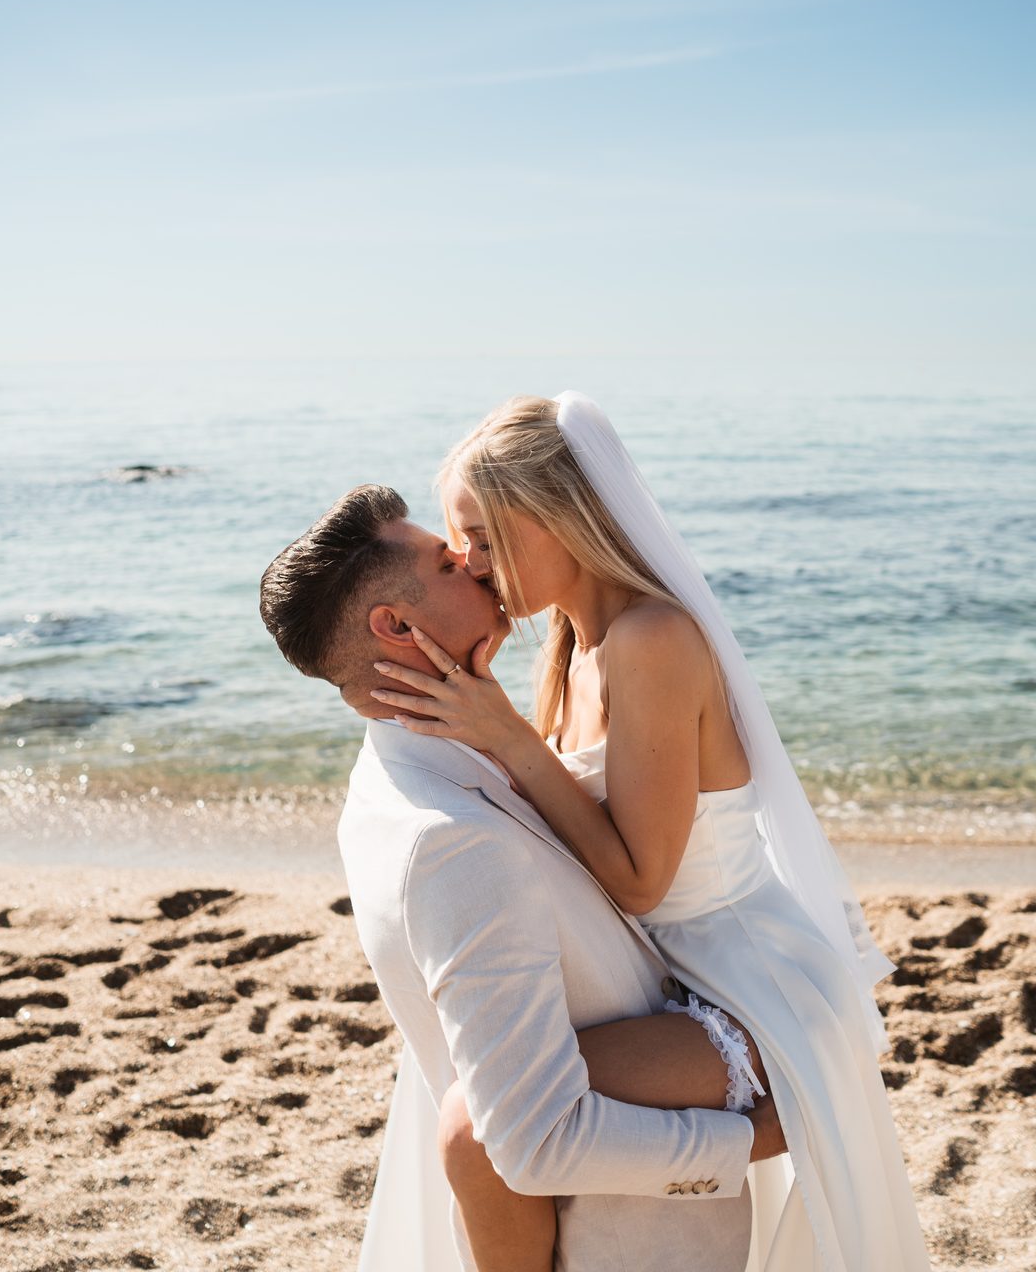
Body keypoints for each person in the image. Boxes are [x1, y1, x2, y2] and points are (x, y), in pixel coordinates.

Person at [362, 393, 931, 1271]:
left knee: (480, 1129)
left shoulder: (652, 638)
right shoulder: (568, 644)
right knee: (478, 1109)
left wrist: (506, 733)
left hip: (746, 988)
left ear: (557, 518)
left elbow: (639, 881)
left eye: (481, 536)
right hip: (660, 975)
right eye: (456, 543)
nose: (470, 565)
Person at [258, 484, 790, 1272]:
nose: (479, 566)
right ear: (396, 626)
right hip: (626, 1238)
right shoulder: (452, 843)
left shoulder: (397, 775)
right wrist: (765, 1134)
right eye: (449, 561)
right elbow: (536, 1139)